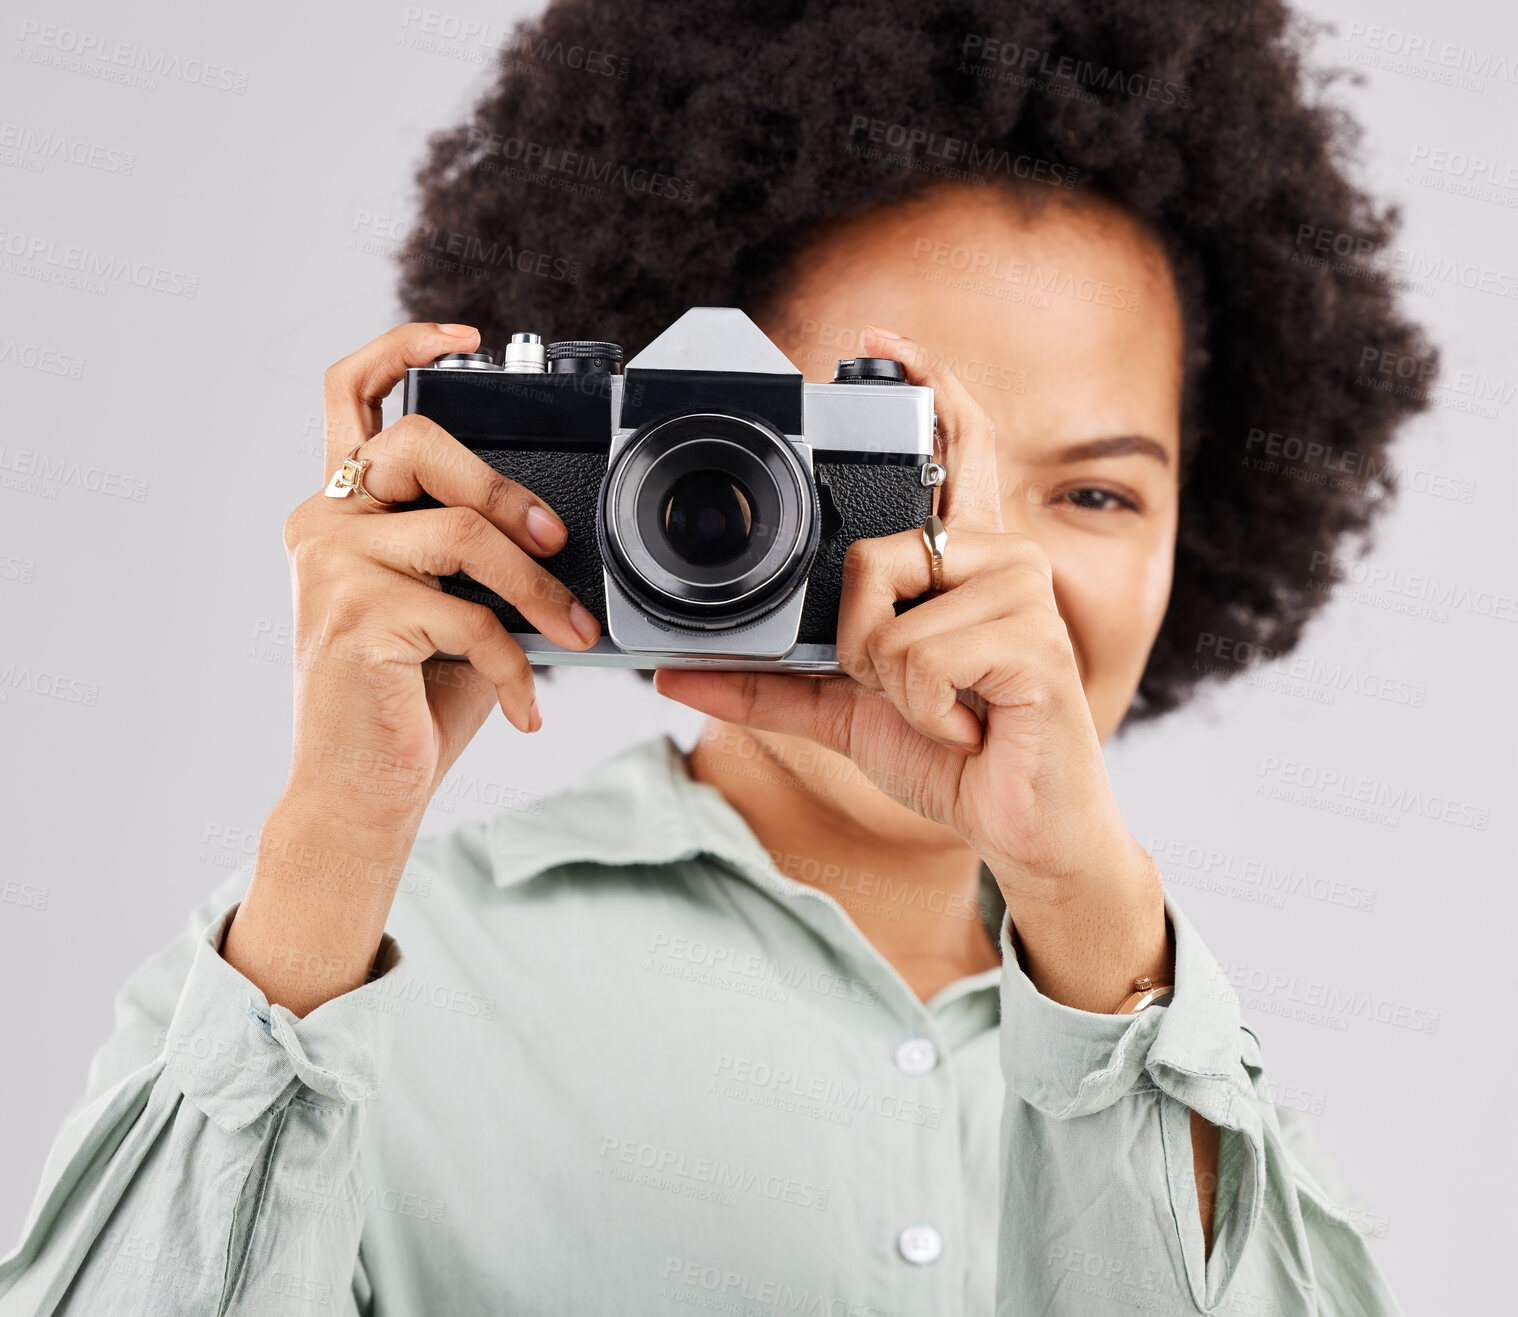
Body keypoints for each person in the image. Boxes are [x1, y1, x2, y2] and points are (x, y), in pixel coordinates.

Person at [0, 0, 1429, 1313]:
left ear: (1213, 523)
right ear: (660, 449)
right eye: (910, 459)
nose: (981, 559)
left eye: (1098, 492)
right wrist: (332, 842)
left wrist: (1086, 907)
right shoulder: (324, 970)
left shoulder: (1210, 1106)